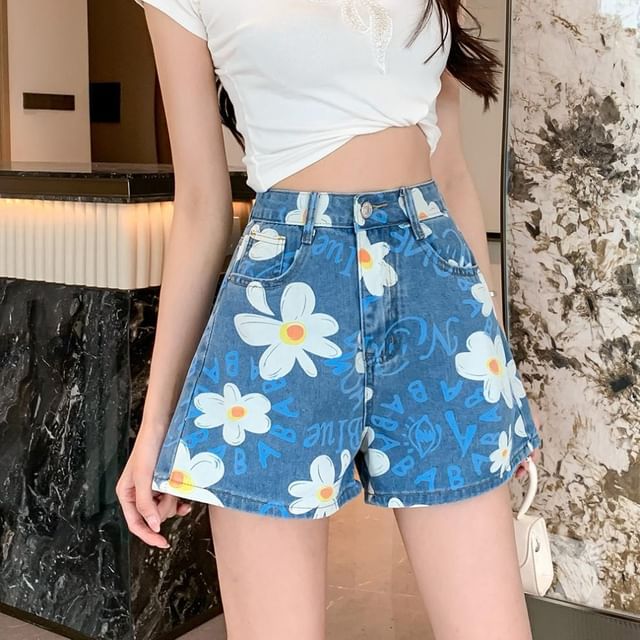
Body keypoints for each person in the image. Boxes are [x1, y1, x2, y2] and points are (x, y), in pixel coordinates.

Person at [117, 1, 543, 638]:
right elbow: (201, 202)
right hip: (281, 300)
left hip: (434, 286)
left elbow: (452, 174)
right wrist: (157, 422)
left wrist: (497, 372)